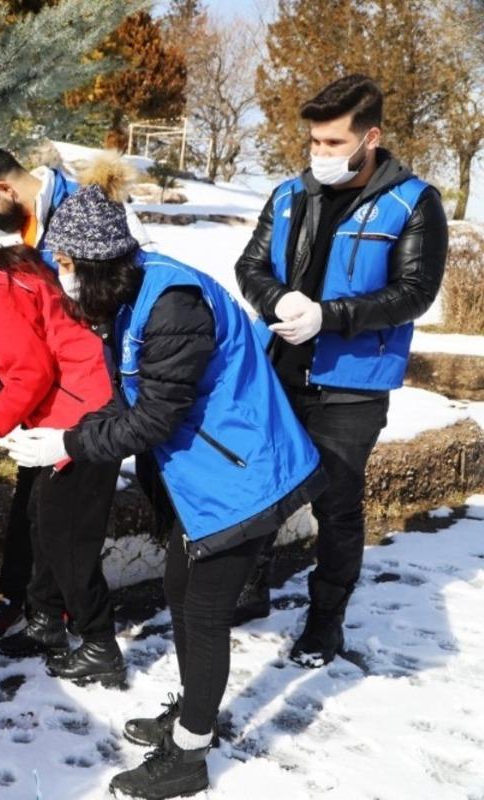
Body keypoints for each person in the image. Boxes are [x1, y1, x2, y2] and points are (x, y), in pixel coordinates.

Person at [1, 185, 326, 799]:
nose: (59, 278)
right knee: (180, 590)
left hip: (243, 477)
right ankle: (192, 715)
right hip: (207, 477)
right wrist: (71, 430)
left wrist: (69, 448)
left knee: (202, 614)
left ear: (86, 263)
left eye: (63, 266)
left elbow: (155, 420)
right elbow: (130, 398)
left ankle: (189, 756)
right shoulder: (128, 298)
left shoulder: (171, 305)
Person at [232, 75, 447, 666]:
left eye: (332, 143)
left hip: (351, 385)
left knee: (337, 506)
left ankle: (325, 620)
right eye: (313, 142)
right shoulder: (288, 195)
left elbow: (414, 292)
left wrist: (330, 316)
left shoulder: (413, 201)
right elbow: (250, 263)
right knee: (261, 488)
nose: (319, 154)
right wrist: (275, 301)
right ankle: (249, 588)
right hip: (279, 371)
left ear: (369, 137)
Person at [0, 210, 126, 684]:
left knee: (67, 537)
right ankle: (45, 622)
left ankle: (99, 643)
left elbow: (29, 375)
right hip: (71, 408)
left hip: (83, 415)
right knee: (40, 520)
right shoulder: (11, 268)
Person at [0, 145, 149, 640]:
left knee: (70, 522)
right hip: (47, 398)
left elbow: (123, 291)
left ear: (4, 190)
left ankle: (79, 626)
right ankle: (30, 605)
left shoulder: (82, 209)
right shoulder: (27, 231)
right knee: (34, 507)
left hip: (91, 393)